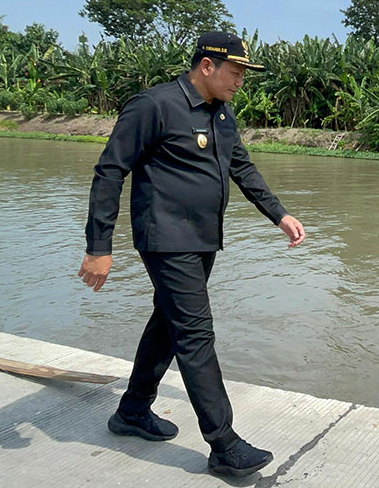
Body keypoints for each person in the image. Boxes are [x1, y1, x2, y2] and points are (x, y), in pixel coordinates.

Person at [77, 30, 306, 478]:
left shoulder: (222, 114)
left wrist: (278, 214)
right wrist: (98, 246)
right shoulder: (154, 105)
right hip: (165, 238)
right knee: (196, 334)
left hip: (203, 238)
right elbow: (109, 172)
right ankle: (223, 444)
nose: (240, 80)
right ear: (207, 65)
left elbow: (240, 166)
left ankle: (131, 411)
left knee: (169, 322)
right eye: (236, 72)